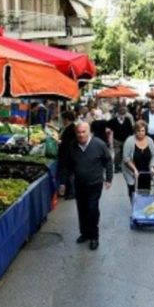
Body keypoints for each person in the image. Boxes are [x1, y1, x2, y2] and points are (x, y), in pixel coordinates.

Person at [58, 122, 113, 251]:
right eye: (79, 132)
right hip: (79, 184)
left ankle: (94, 237)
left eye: (83, 132)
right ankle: (85, 233)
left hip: (95, 183)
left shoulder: (99, 144)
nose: (81, 135)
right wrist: (63, 183)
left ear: (89, 132)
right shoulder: (72, 146)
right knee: (82, 209)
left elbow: (108, 161)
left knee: (92, 209)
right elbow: (67, 166)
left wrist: (109, 179)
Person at [122, 120, 154, 203]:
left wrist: (152, 167)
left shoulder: (150, 141)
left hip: (146, 170)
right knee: (133, 190)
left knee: (145, 189)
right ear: (135, 131)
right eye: (138, 131)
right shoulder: (129, 141)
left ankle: (144, 207)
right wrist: (134, 170)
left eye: (143, 130)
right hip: (131, 171)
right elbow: (126, 158)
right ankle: (135, 207)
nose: (141, 133)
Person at [57, 111, 77, 199]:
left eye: (63, 119)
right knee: (66, 173)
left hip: (68, 154)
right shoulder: (66, 127)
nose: (62, 120)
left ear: (66, 119)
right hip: (65, 154)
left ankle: (71, 192)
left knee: (69, 174)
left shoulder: (72, 128)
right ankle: (67, 192)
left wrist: (61, 142)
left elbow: (70, 142)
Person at [109, 106, 134, 173]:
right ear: (118, 114)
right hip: (116, 140)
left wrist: (131, 138)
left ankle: (123, 166)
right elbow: (108, 126)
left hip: (125, 140)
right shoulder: (113, 120)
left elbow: (131, 129)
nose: (122, 116)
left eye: (123, 114)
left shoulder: (127, 120)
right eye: (121, 114)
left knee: (125, 154)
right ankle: (117, 167)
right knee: (117, 154)